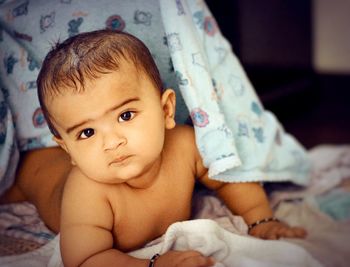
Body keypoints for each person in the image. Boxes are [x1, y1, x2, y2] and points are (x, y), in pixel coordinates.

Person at [14, 29, 306, 267]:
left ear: (166, 110)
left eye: (125, 116)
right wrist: (152, 264)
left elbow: (231, 178)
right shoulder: (88, 190)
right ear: (68, 150)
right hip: (39, 171)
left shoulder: (184, 145)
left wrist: (261, 219)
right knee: (18, 182)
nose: (112, 142)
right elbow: (85, 258)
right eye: (87, 132)